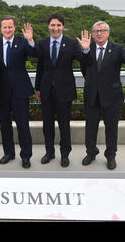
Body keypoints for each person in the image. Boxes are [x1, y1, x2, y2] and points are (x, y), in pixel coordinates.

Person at [81, 21, 125, 170]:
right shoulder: (87, 47)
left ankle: (111, 156)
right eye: (96, 31)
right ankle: (91, 152)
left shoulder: (118, 48)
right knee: (90, 127)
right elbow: (84, 68)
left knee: (111, 128)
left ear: (108, 33)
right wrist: (86, 51)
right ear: (92, 34)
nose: (99, 33)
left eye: (102, 30)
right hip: (92, 94)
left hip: (112, 96)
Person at [35, 13, 92, 167]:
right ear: (49, 26)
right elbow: (40, 67)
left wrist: (86, 50)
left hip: (64, 91)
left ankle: (65, 154)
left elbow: (84, 61)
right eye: (53, 25)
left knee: (64, 125)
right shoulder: (43, 43)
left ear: (63, 27)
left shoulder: (72, 43)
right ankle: (49, 152)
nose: (55, 28)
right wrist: (38, 88)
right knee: (47, 124)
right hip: (46, 90)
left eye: (58, 25)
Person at [0, 16, 39, 169]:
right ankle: (9, 153)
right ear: (1, 28)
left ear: (14, 28)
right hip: (2, 93)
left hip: (20, 91)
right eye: (4, 27)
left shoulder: (23, 42)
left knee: (23, 125)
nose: (7, 29)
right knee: (5, 126)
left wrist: (30, 40)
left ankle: (26, 155)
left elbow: (35, 54)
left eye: (10, 27)